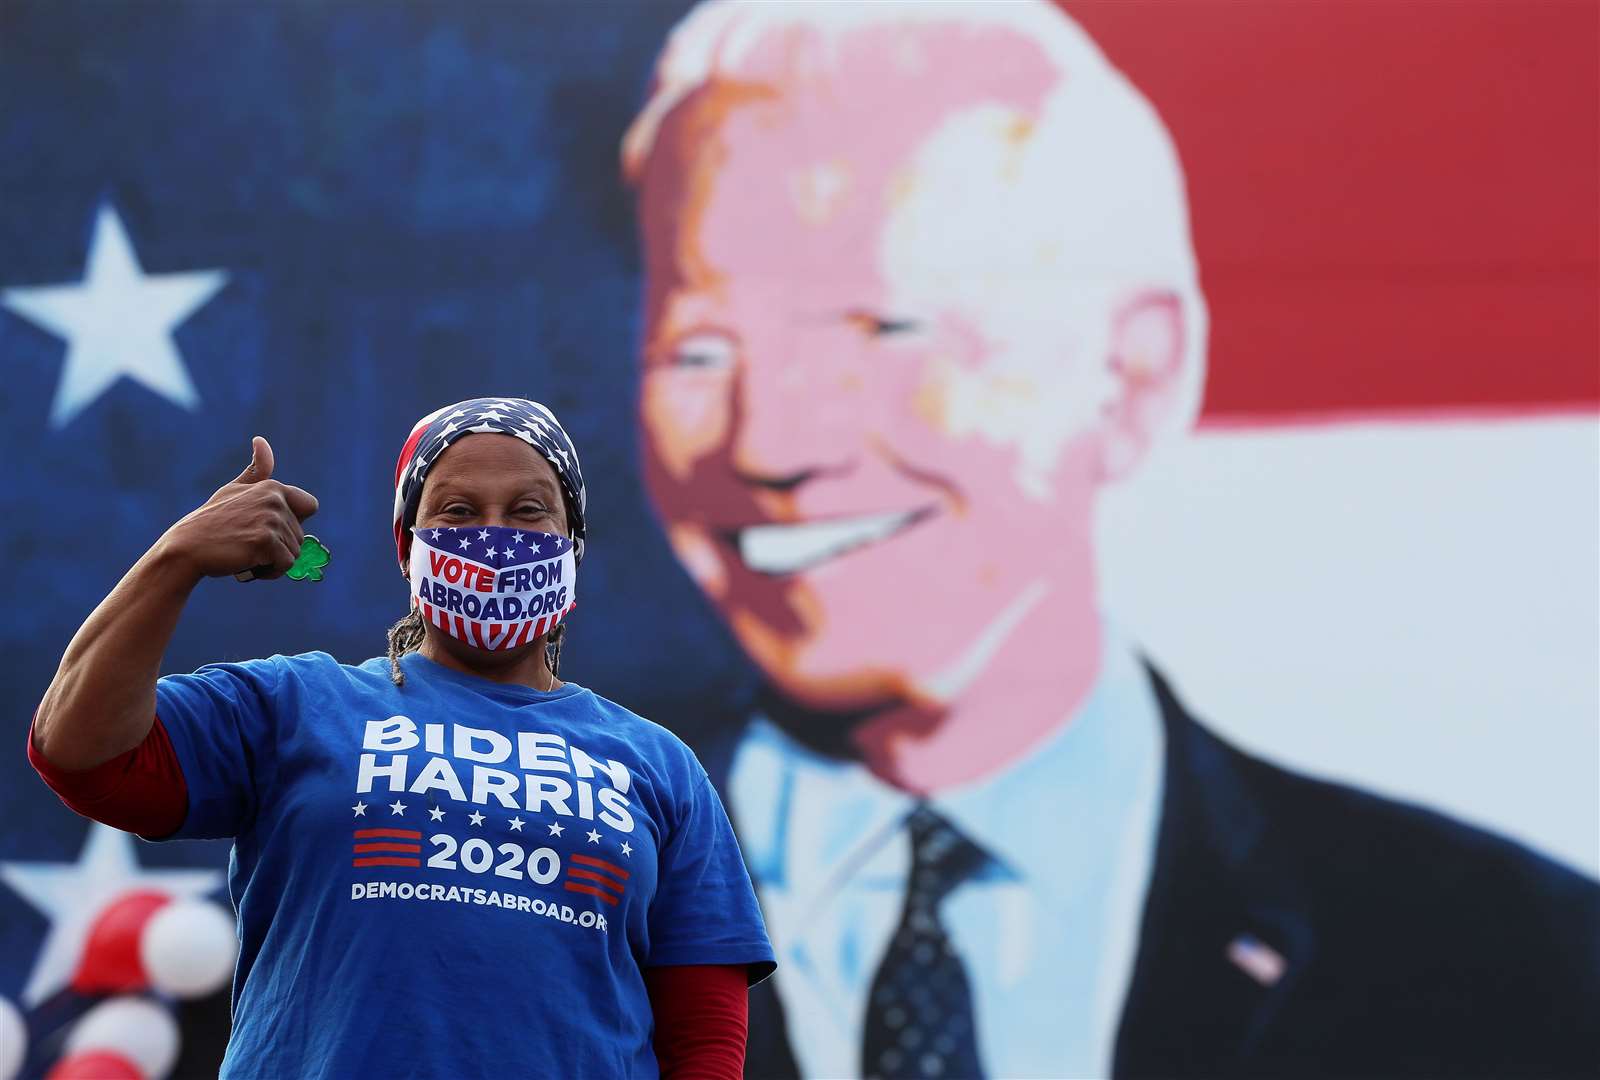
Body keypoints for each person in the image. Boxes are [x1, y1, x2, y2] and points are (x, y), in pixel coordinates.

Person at [622, 3, 1600, 1078]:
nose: (769, 440)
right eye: (699, 349)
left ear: (1132, 377)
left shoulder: (1520, 966)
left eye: (888, 327)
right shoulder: (495, 917)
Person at [28, 396, 775, 1079]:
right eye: (456, 511)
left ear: (572, 543)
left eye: (529, 512)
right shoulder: (295, 703)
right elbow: (81, 752)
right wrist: (175, 560)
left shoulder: (659, 765)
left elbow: (704, 1036)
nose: (495, 537)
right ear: (405, 545)